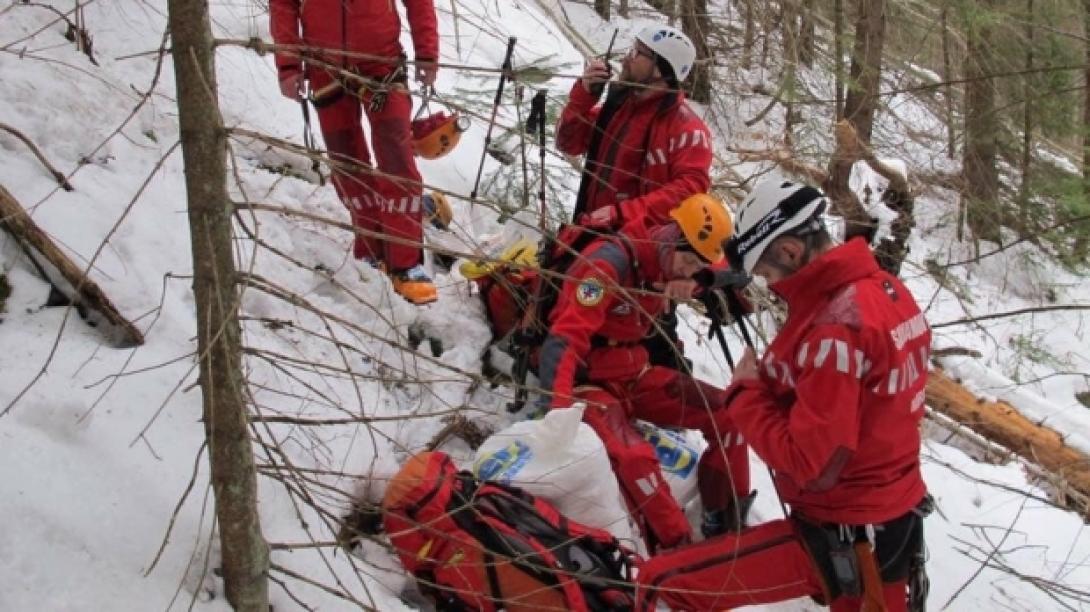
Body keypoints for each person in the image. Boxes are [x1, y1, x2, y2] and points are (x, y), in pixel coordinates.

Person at [635, 178, 932, 612]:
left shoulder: (835, 328)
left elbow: (812, 465)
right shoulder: (884, 291)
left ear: (792, 250)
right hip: (888, 522)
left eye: (769, 274)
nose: (770, 286)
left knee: (660, 582)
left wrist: (746, 394)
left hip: (844, 533)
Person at [537, 193, 752, 553]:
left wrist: (698, 282)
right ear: (672, 236)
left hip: (636, 373)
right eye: (687, 261)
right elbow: (563, 340)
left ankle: (726, 516)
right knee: (636, 459)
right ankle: (680, 548)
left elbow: (724, 269)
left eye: (696, 264)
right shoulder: (608, 267)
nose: (688, 270)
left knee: (729, 413)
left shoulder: (672, 262)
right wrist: (557, 411)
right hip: (591, 384)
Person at [556, 25, 714, 372]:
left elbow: (691, 190)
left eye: (639, 53)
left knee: (645, 341)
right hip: (593, 240)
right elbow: (569, 143)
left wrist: (622, 213)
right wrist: (583, 95)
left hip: (642, 261)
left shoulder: (686, 129)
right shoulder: (619, 107)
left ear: (661, 70)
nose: (628, 57)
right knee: (574, 319)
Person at [270, 0, 440, 304]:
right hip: (325, 68)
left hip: (382, 64)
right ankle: (371, 250)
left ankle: (406, 262)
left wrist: (426, 53)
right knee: (348, 165)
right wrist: (288, 64)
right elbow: (283, 5)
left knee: (397, 161)